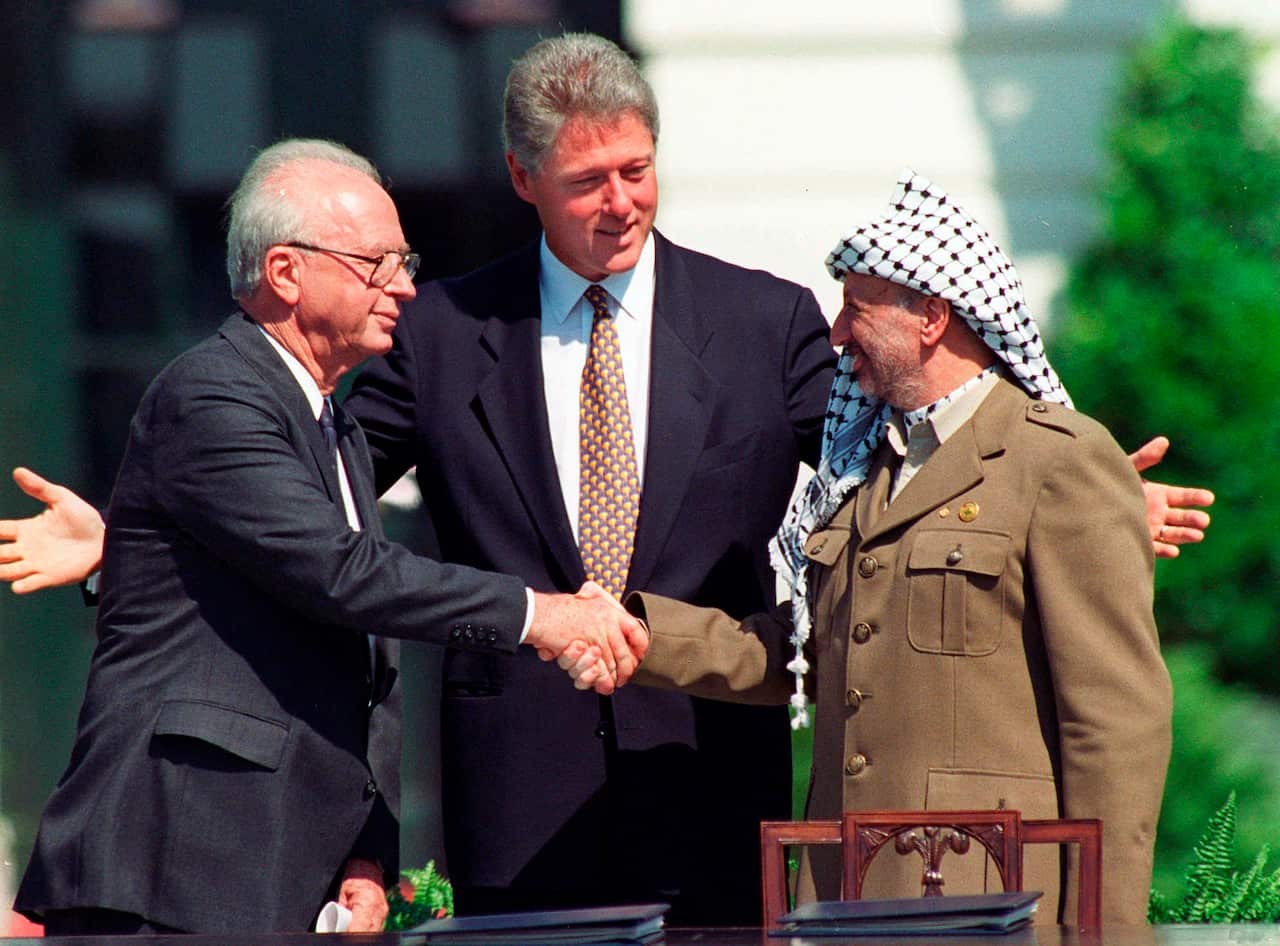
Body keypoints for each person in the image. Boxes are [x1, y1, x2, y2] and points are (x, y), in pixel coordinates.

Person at [0, 35, 1210, 925]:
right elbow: (308, 511)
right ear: (525, 180)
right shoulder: (436, 328)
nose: (619, 201)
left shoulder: (762, 318)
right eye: (586, 181)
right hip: (517, 806)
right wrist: (133, 536)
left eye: (636, 169)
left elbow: (891, 468)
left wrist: (1076, 498)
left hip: (713, 785)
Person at [10, 139, 645, 937]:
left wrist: (366, 854)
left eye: (405, 261)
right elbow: (344, 575)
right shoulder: (211, 395)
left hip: (272, 871)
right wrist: (543, 615)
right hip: (174, 865)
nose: (406, 287)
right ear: (285, 273)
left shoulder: (333, 421)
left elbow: (345, 645)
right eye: (378, 263)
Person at [564, 171, 1174, 926]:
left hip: (991, 901)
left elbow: (1115, 722)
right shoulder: (862, 468)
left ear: (931, 317)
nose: (836, 335)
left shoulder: (1059, 461)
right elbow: (808, 655)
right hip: (848, 895)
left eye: (856, 309)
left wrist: (1106, 928)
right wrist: (640, 633)